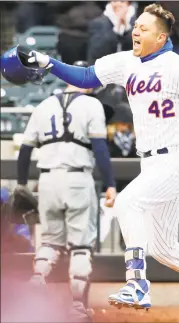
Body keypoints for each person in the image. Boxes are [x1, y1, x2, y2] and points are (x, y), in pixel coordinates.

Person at [22, 3, 179, 322]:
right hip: (151, 164)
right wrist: (49, 63)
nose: (135, 31)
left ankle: (137, 284)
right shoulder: (127, 62)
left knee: (127, 203)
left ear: (160, 37)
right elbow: (87, 77)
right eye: (135, 25)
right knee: (162, 247)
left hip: (176, 158)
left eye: (143, 28)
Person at [16, 61, 116, 322]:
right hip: (77, 179)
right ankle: (77, 308)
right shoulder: (92, 104)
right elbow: (101, 150)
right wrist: (111, 184)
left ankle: (36, 284)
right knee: (81, 246)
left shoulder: (44, 104)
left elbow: (25, 150)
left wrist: (22, 184)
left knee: (49, 242)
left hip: (47, 181)